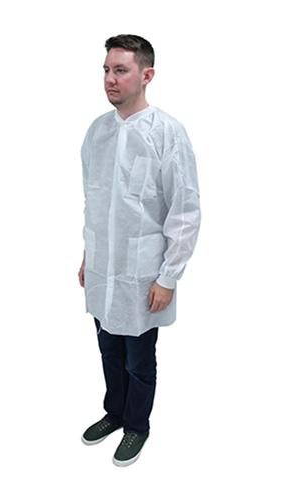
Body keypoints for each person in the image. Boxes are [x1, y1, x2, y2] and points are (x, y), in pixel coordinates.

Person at [78, 34, 201, 467]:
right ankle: (114, 412)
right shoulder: (97, 132)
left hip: (142, 273)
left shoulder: (166, 133)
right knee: (108, 350)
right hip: (103, 268)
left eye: (121, 70)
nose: (110, 79)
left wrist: (169, 277)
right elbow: (95, 202)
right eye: (106, 70)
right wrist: (88, 255)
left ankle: (136, 425)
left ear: (146, 75)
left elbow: (184, 210)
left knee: (138, 359)